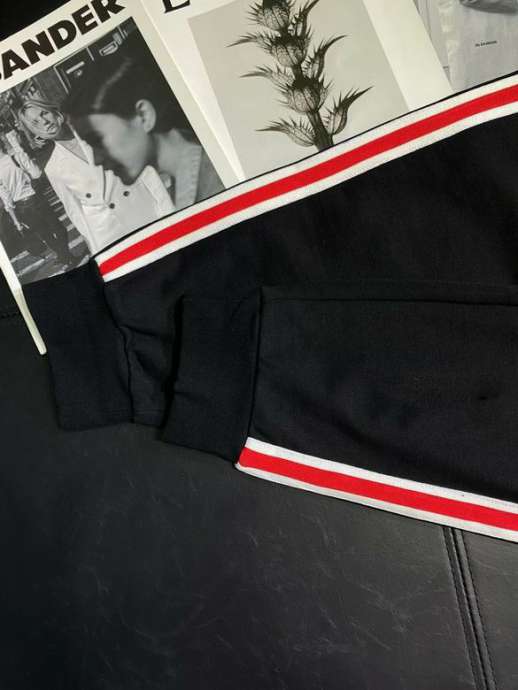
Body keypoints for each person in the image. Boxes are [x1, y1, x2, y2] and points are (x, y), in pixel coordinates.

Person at [65, 51, 224, 211]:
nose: (96, 160)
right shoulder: (189, 179)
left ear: (144, 116)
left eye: (98, 140)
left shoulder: (213, 187)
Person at [17, 98, 174, 255]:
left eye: (44, 113)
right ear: (35, 134)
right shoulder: (53, 168)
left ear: (55, 112)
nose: (44, 122)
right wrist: (98, 250)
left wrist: (168, 211)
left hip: (146, 213)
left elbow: (145, 171)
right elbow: (76, 213)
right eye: (35, 123)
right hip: (110, 235)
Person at [0, 139, 77, 268]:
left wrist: (16, 221)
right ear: (2, 145)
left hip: (21, 208)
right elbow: (36, 174)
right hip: (36, 199)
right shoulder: (17, 157)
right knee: (58, 227)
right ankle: (66, 255)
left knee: (45, 234)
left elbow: (7, 199)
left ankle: (64, 257)